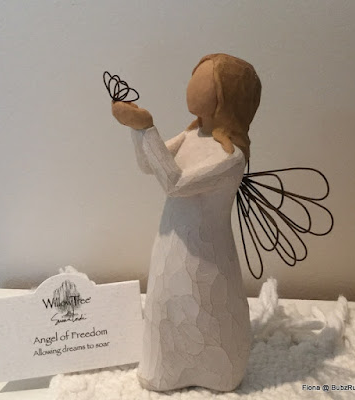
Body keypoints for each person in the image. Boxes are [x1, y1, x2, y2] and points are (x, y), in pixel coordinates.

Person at [111, 53, 262, 392]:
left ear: (226, 98)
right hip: (171, 246)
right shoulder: (191, 136)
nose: (192, 85)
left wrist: (146, 128)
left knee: (208, 308)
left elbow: (174, 183)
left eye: (204, 80)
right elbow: (149, 164)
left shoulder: (231, 157)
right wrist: (136, 129)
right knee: (168, 305)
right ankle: (165, 369)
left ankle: (219, 370)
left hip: (207, 258)